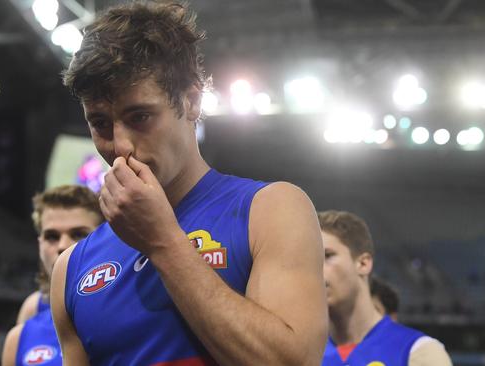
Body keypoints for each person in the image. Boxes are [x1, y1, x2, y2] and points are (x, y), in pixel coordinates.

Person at [50, 2, 327, 365]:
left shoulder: (271, 211)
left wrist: (163, 242)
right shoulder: (72, 267)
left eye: (140, 116)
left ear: (192, 101)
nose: (120, 146)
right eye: (100, 123)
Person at [318, 210, 452, 366]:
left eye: (327, 256)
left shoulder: (417, 352)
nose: (314, 268)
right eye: (311, 259)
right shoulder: (301, 356)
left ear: (363, 263)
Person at [1, 185, 103, 366]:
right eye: (52, 236)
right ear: (39, 244)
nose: (63, 246)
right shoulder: (27, 323)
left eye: (79, 234)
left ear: (105, 237)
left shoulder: (132, 303)